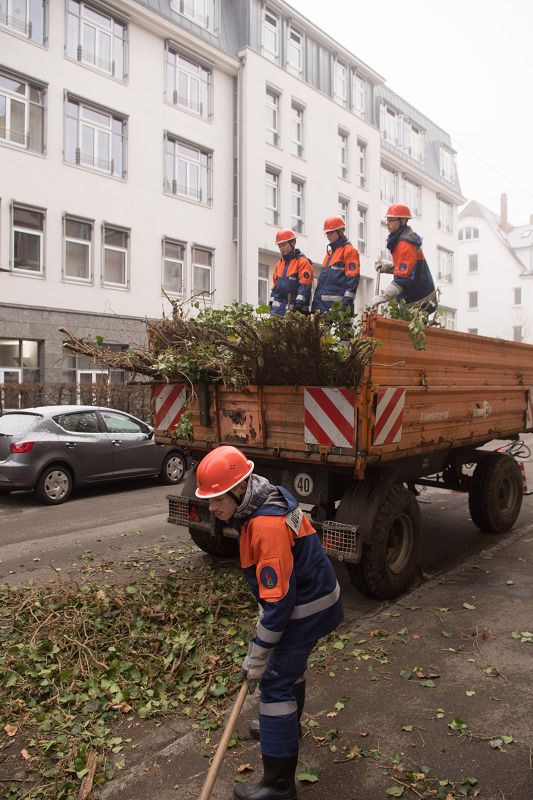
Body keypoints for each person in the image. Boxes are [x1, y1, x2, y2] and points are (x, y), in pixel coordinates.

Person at [195, 446, 344, 800]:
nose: (211, 508)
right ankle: (286, 725)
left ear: (237, 489)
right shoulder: (266, 494)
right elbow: (279, 581)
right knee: (288, 672)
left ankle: (278, 786)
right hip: (312, 596)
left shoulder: (266, 524)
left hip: (305, 609)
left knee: (275, 682)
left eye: (216, 498)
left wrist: (258, 654)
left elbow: (279, 605)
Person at [372, 204, 436, 310]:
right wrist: (387, 268)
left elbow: (403, 277)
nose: (387, 223)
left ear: (403, 221)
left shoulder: (406, 243)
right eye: (387, 220)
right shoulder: (400, 240)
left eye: (391, 220)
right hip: (416, 297)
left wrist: (384, 297)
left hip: (420, 299)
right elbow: (406, 267)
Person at [311, 216, 360, 316]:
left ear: (340, 231)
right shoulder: (329, 253)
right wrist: (315, 306)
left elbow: (352, 280)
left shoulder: (349, 251)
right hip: (322, 309)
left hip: (338, 310)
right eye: (327, 233)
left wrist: (346, 305)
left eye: (331, 232)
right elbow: (322, 284)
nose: (328, 236)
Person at [269, 230, 313, 317]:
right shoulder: (279, 263)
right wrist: (270, 305)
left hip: (296, 314)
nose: (281, 248)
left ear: (293, 242)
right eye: (279, 246)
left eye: (284, 245)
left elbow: (304, 289)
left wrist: (296, 310)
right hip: (277, 313)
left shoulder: (303, 262)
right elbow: (275, 288)